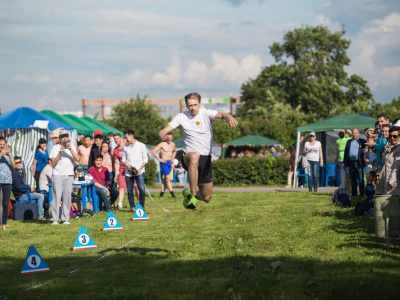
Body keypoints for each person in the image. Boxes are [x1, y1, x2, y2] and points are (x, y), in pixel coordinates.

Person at [158, 92, 238, 209]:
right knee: (194, 156)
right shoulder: (181, 117)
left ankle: (188, 195)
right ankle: (193, 196)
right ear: (186, 105)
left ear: (199, 104)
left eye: (195, 105)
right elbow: (163, 130)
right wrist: (162, 134)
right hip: (188, 156)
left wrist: (230, 118)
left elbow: (222, 115)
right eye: (190, 105)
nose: (192, 108)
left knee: (207, 197)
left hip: (205, 159)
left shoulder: (206, 114)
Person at [49, 129, 79, 225]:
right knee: (56, 197)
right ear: (60, 138)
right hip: (57, 174)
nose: (65, 139)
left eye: (66, 137)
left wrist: (70, 150)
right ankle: (54, 219)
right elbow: (53, 163)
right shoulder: (55, 148)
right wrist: (60, 153)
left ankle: (65, 219)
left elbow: (78, 159)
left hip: (69, 175)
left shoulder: (72, 147)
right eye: (63, 137)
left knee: (67, 197)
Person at [12, 156, 48, 220]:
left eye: (19, 162)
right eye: (16, 163)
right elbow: (19, 187)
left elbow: (23, 184)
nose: (18, 164)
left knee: (45, 196)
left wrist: (31, 189)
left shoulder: (19, 172)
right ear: (13, 164)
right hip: (21, 196)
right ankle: (40, 216)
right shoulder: (14, 173)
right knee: (41, 196)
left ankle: (46, 213)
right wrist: (29, 189)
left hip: (25, 193)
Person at [121, 130, 148, 212]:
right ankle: (132, 207)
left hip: (140, 172)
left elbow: (145, 159)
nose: (126, 140)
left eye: (126, 138)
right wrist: (126, 165)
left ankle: (141, 206)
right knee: (129, 190)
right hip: (128, 173)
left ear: (131, 136)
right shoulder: (125, 147)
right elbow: (123, 159)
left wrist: (139, 169)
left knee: (141, 189)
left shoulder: (141, 145)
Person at [152, 132, 177, 198]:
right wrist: (159, 159)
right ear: (165, 137)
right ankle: (173, 195)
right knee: (168, 178)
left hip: (170, 162)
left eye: (171, 138)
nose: (170, 140)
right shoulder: (162, 144)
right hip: (164, 163)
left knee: (164, 179)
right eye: (168, 138)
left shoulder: (173, 144)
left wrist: (172, 158)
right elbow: (154, 151)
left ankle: (161, 194)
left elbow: (175, 151)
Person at [343, 128, 366, 196]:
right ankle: (354, 194)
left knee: (361, 179)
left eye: (356, 133)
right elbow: (346, 153)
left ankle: (362, 193)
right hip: (350, 163)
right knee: (352, 179)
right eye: (353, 133)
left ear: (358, 133)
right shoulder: (348, 141)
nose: (354, 134)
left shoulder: (362, 141)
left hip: (359, 162)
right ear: (351, 134)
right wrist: (344, 163)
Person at [0, 137, 15, 230]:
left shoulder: (9, 154)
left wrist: (9, 156)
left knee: (5, 203)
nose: (1, 146)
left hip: (7, 181)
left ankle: (4, 224)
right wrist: (1, 154)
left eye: (3, 144)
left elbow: (13, 167)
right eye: (0, 144)